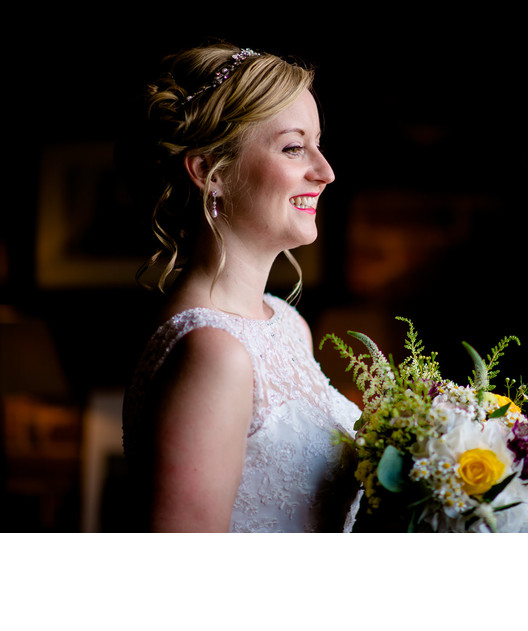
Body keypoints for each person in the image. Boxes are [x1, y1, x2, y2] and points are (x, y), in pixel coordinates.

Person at [121, 42, 361, 532]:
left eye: (318, 143)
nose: (325, 172)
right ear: (211, 172)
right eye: (294, 147)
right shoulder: (213, 353)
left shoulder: (289, 325)